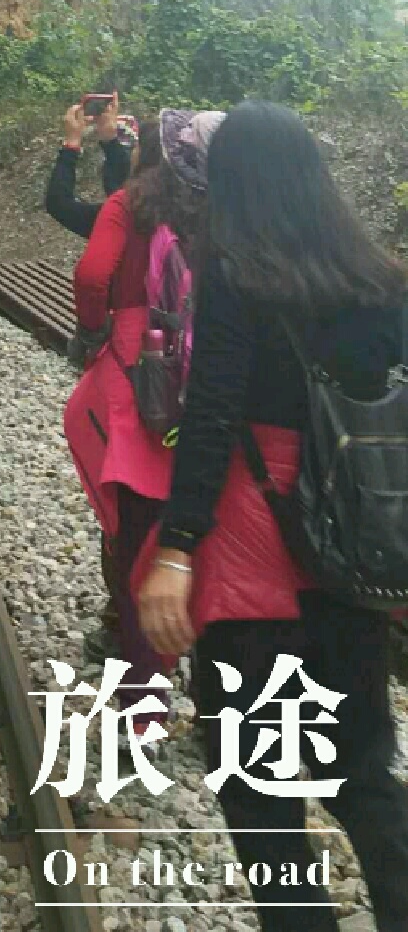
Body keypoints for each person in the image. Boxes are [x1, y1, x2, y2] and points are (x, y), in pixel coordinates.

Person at [137, 102, 408, 931]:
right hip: (356, 546)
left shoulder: (235, 274)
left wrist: (177, 547)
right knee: (362, 764)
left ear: (236, 181)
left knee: (260, 785)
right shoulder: (383, 282)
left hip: (255, 551)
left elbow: (211, 419)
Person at [64, 109, 222, 708]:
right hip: (207, 371)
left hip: (137, 370)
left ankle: (141, 697)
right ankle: (213, 687)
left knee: (134, 532)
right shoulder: (215, 210)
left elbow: (91, 273)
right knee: (200, 525)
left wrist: (91, 332)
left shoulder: (127, 204)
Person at [45, 93, 134, 239]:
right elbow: (119, 189)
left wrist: (71, 144)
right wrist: (110, 141)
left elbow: (58, 204)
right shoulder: (173, 215)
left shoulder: (123, 217)